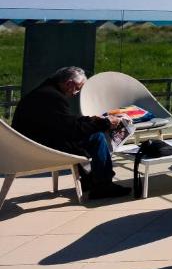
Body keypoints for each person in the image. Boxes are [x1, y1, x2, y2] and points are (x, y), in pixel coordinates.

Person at [12, 67, 130, 199]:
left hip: (31, 144)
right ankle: (103, 185)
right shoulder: (53, 97)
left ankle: (91, 180)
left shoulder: (44, 93)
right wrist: (105, 123)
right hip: (41, 147)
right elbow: (72, 131)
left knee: (89, 135)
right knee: (97, 137)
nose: (77, 93)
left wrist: (90, 120)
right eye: (78, 88)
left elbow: (63, 122)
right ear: (69, 84)